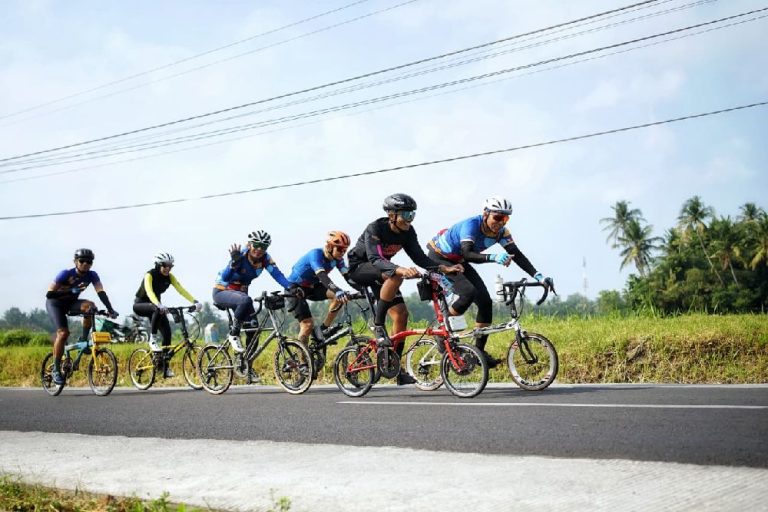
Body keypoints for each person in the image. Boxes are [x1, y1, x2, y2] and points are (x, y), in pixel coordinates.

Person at [347, 193, 463, 385]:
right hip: (360, 268)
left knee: (402, 315)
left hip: (383, 274)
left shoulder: (408, 232)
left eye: (413, 215)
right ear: (392, 214)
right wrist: (398, 269)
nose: (410, 219)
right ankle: (378, 324)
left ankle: (395, 367)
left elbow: (419, 258)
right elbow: (375, 259)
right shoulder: (375, 229)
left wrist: (444, 267)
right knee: (395, 275)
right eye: (406, 215)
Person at [427, 196, 553, 367]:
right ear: (486, 213)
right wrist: (494, 257)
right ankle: (441, 328)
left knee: (486, 302)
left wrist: (539, 276)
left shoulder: (502, 232)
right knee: (468, 293)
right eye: (498, 217)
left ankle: (478, 352)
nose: (501, 222)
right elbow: (467, 254)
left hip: (458, 260)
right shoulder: (471, 225)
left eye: (505, 218)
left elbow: (518, 255)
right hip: (439, 257)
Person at [45, 248, 119, 385]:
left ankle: (84, 340)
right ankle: (56, 370)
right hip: (55, 304)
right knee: (63, 334)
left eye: (89, 262)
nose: (85, 264)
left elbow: (101, 292)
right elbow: (49, 294)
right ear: (75, 261)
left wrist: (110, 309)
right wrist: (70, 290)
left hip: (71, 303)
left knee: (90, 307)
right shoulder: (65, 274)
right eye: (82, 261)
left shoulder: (92, 275)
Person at [212, 230, 291, 357]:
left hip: (241, 295)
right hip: (222, 291)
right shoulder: (241, 254)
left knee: (254, 330)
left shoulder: (265, 259)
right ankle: (233, 334)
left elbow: (278, 275)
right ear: (249, 244)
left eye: (264, 246)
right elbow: (226, 277)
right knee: (246, 300)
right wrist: (234, 263)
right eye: (256, 245)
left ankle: (245, 364)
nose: (259, 249)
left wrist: (291, 287)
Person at [133, 252, 202, 378]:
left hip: (157, 307)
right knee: (156, 309)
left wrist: (194, 301)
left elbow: (181, 290)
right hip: (141, 305)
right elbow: (149, 291)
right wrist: (158, 304)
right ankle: (152, 339)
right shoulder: (150, 275)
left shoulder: (170, 277)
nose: (168, 269)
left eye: (171, 266)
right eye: (165, 266)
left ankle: (163, 367)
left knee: (167, 333)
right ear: (158, 265)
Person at [286, 231, 352, 349]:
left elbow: (349, 278)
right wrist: (337, 289)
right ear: (330, 246)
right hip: (294, 288)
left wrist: (364, 289)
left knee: (339, 297)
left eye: (345, 250)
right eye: (340, 249)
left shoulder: (338, 259)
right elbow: (322, 276)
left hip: (312, 286)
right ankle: (303, 362)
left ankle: (324, 329)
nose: (343, 253)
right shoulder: (315, 254)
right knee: (307, 325)